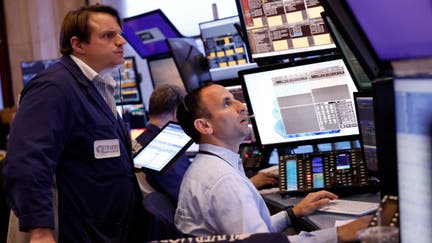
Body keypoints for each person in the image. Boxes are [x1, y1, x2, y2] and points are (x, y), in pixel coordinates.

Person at [2, 5, 144, 243]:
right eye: (108, 36)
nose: (121, 42)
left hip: (103, 227)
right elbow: (27, 161)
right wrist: (40, 231)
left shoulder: (100, 85)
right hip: (72, 230)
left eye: (119, 34)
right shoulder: (54, 88)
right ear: (78, 44)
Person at [174, 83, 371, 242]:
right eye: (227, 103)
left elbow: (252, 233)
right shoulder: (223, 180)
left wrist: (293, 213)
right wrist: (338, 234)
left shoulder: (210, 166)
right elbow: (259, 242)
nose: (242, 106)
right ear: (204, 125)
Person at [134, 84, 278, 204]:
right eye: (226, 103)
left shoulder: (143, 141)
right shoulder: (164, 148)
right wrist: (250, 183)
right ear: (177, 113)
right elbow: (190, 198)